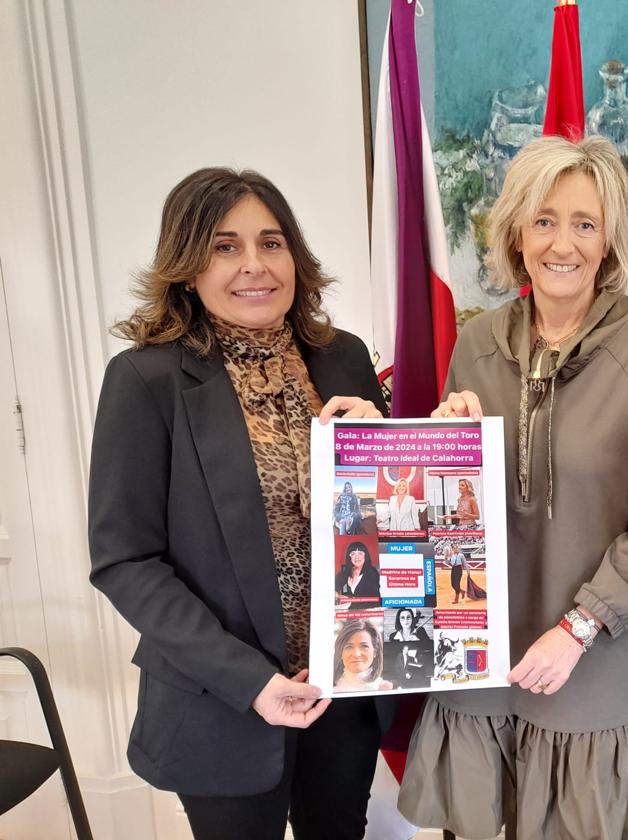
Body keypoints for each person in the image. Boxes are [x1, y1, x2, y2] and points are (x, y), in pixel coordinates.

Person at [397, 136, 628, 839]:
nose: (561, 242)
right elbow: (449, 519)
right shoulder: (476, 342)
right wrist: (448, 444)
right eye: (543, 220)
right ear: (516, 233)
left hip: (599, 660)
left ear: (608, 243)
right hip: (485, 658)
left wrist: (578, 627)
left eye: (584, 223)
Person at [88, 168, 390, 840]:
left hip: (342, 688)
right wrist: (253, 682)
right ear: (187, 265)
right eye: (224, 247)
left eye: (271, 242)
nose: (254, 265)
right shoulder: (146, 379)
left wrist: (383, 447)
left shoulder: (342, 360)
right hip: (222, 701)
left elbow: (384, 528)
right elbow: (125, 560)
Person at [333, 619, 394, 692]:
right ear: (340, 653)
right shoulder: (329, 687)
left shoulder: (386, 689)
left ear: (375, 652)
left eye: (364, 646)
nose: (356, 654)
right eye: (349, 647)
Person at [335, 541, 381, 607]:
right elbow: (330, 589)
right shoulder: (344, 574)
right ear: (349, 557)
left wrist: (351, 600)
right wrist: (338, 596)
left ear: (365, 556)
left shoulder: (372, 573)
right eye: (353, 554)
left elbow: (375, 599)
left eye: (360, 553)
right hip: (348, 613)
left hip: (366, 613)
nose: (357, 557)